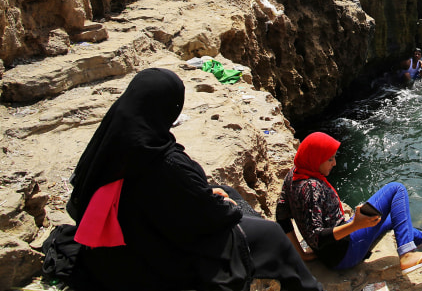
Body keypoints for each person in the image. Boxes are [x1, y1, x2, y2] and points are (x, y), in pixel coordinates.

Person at [49, 68, 322, 291]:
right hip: (155, 251)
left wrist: (210, 195)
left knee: (223, 189)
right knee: (269, 233)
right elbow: (208, 215)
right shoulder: (164, 160)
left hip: (123, 236)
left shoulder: (111, 143)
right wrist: (222, 204)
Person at [276, 132, 422, 275]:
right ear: (315, 159)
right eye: (330, 159)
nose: (334, 163)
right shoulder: (311, 188)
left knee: (389, 216)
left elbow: (281, 215)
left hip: (330, 254)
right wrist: (355, 225)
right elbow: (318, 237)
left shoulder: (295, 174)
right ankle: (406, 255)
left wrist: (301, 254)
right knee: (397, 189)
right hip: (344, 254)